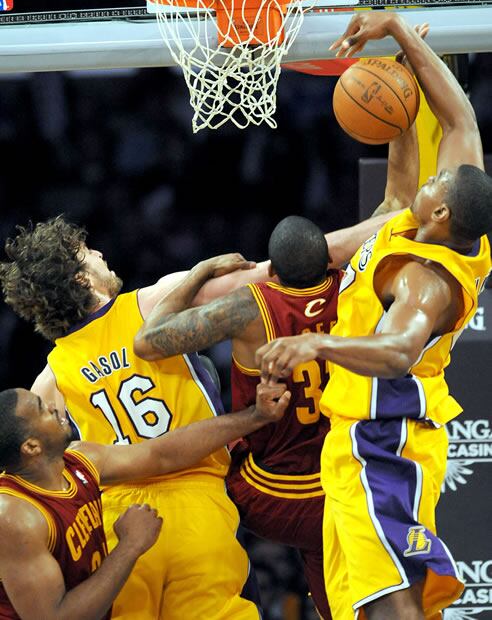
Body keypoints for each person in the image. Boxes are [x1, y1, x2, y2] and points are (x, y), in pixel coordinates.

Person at [0, 220, 391, 620]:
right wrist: (400, 220)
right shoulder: (155, 302)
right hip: (199, 498)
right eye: (89, 254)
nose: (101, 254)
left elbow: (34, 480)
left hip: (121, 524)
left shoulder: (47, 383)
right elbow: (297, 260)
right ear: (84, 280)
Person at [132, 111, 421, 617]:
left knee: (212, 469)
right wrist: (402, 116)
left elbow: (149, 342)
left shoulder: (250, 306)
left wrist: (201, 270)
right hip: (346, 478)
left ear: (273, 269)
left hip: (275, 497)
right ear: (326, 261)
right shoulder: (357, 282)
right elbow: (397, 203)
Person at [255, 11, 492, 620]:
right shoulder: (442, 219)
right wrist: (397, 34)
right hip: (360, 438)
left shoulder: (425, 280)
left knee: (389, 608)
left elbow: (395, 354)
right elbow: (460, 117)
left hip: (382, 440)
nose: (434, 177)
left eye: (436, 182)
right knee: (361, 607)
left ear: (441, 216)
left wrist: (318, 347)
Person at [0, 382, 289, 620]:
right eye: (42, 409)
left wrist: (254, 417)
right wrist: (130, 546)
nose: (53, 405)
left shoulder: (79, 459)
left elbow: (160, 454)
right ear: (31, 447)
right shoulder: (14, 517)